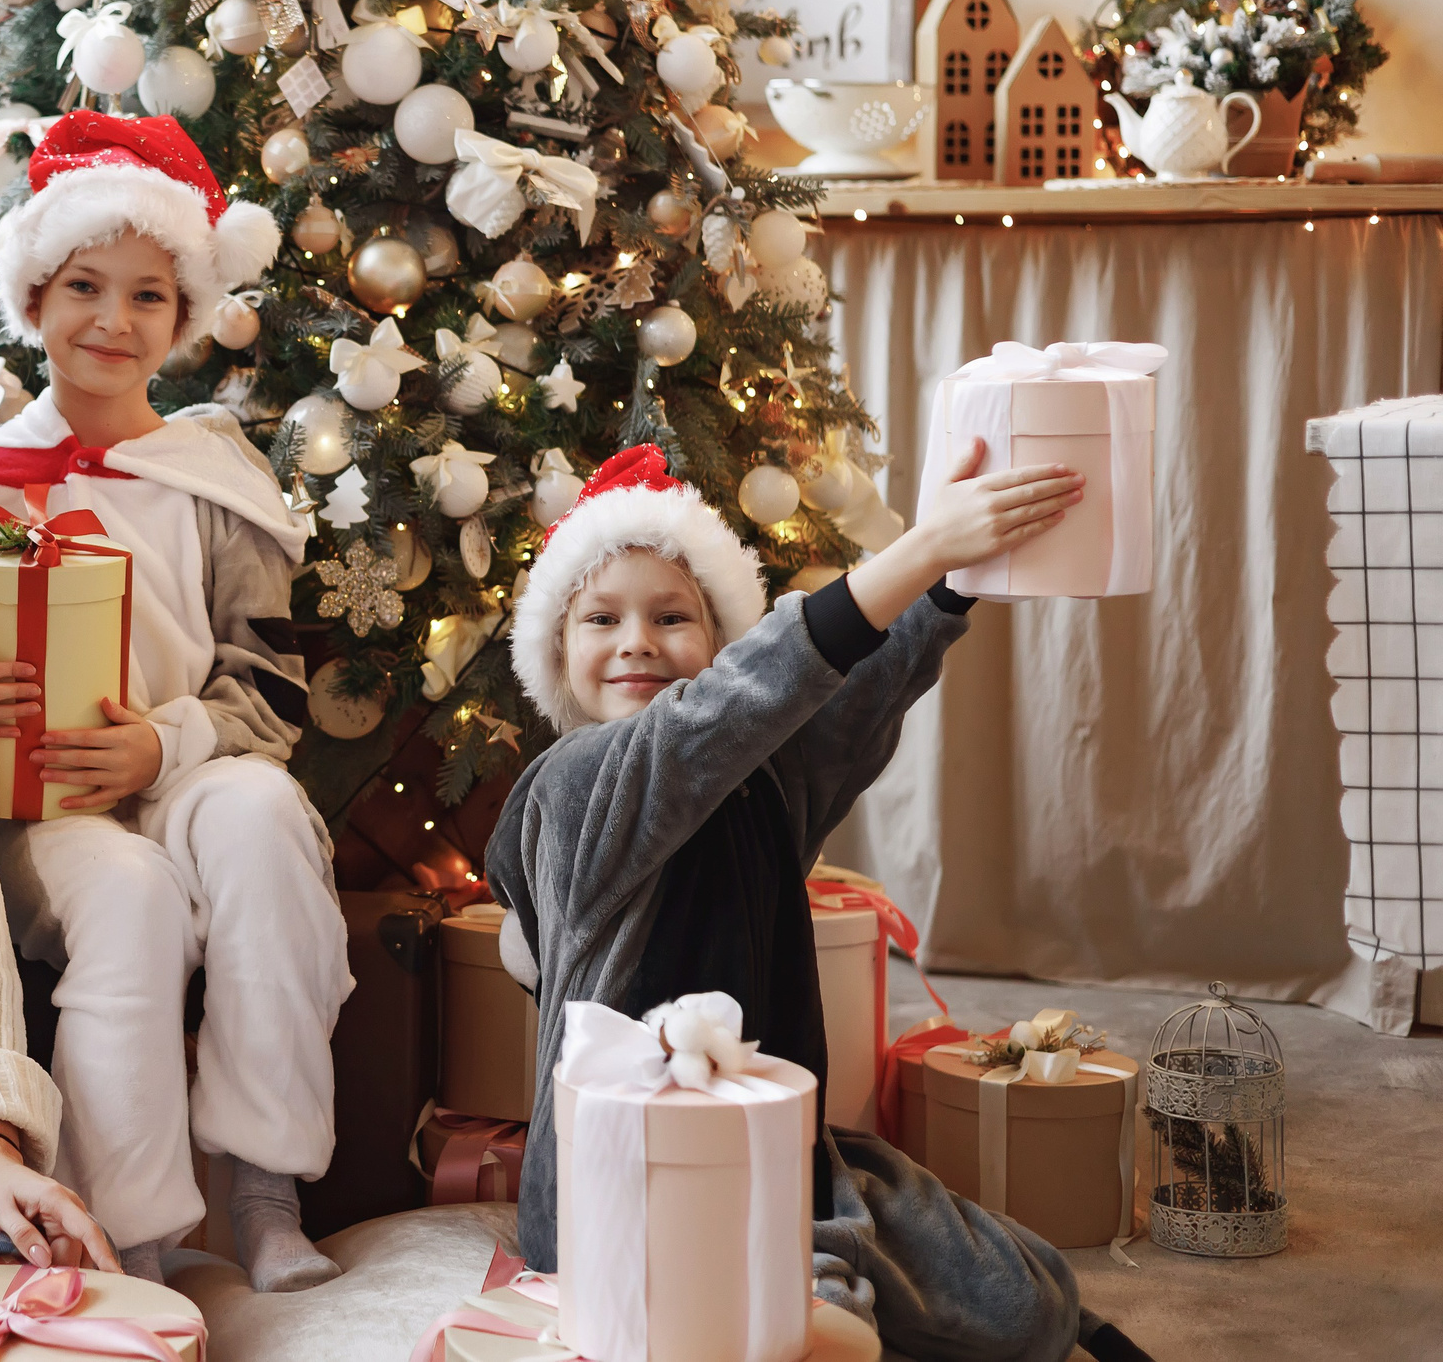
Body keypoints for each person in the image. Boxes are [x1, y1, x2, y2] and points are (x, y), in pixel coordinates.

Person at [487, 443, 1153, 1362]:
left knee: (1026, 1305)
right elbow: (708, 720)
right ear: (559, 655)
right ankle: (810, 1298)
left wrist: (948, 583)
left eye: (671, 616)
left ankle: (831, 1269)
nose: (636, 639)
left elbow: (848, 700)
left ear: (717, 640)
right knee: (791, 1277)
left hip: (782, 1149)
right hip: (628, 1186)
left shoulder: (764, 778)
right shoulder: (576, 786)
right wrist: (918, 548)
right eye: (601, 617)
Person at [0, 113, 354, 1292]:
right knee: (131, 895)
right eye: (84, 286)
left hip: (187, 768)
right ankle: (133, 1227)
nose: (112, 319)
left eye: (148, 297)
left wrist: (161, 744)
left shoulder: (212, 484)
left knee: (260, 823)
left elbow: (265, 680)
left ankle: (264, 1185)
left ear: (181, 321)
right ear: (33, 300)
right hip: (33, 817)